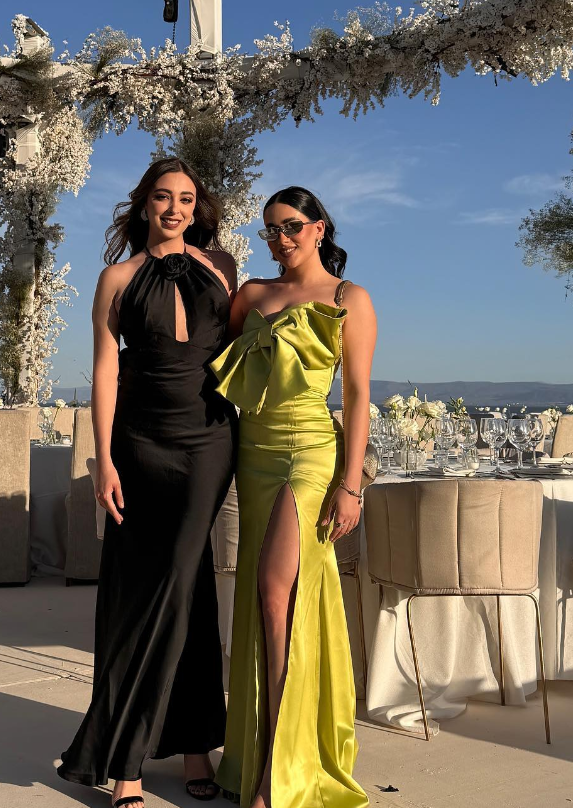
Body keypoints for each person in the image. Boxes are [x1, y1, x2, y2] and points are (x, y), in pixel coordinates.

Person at [57, 157, 238, 808]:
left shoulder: (223, 269)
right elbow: (105, 371)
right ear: (143, 205)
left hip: (210, 440)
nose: (174, 209)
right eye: (163, 197)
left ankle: (183, 744)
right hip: (139, 442)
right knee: (153, 589)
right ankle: (136, 760)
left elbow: (246, 353)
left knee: (182, 582)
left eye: (186, 199)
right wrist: (103, 459)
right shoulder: (118, 278)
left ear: (197, 208)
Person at [210, 187, 375, 808]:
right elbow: (216, 372)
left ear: (319, 228)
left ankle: (276, 774)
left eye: (292, 227)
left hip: (311, 452)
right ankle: (262, 756)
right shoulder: (251, 296)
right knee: (263, 596)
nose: (280, 239)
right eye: (271, 230)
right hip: (252, 452)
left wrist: (350, 484)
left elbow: (356, 395)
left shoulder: (349, 298)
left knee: (276, 590)